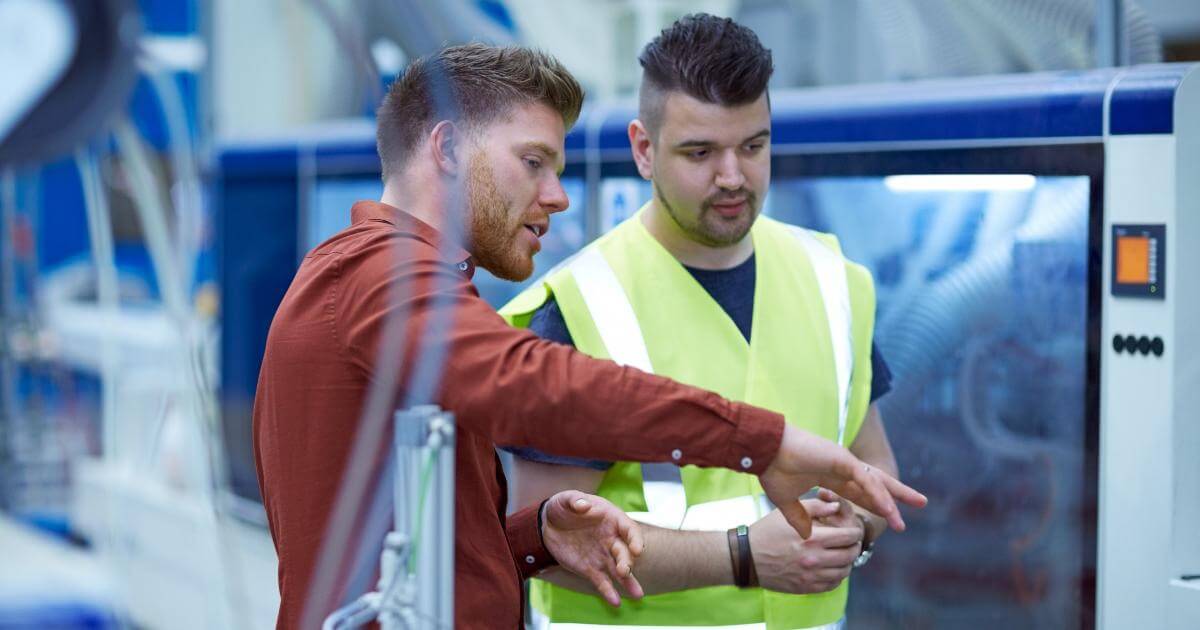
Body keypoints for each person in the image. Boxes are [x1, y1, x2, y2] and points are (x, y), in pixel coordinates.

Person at [253, 43, 925, 630]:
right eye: (534, 162)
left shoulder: (386, 282)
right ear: (449, 149)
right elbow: (527, 384)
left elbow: (419, 551)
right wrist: (759, 443)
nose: (558, 195)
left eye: (754, 145)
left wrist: (535, 539)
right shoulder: (375, 277)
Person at [499, 15, 899, 629]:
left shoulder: (834, 280)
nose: (732, 176)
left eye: (753, 146)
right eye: (700, 152)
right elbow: (544, 543)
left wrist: (854, 528)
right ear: (643, 149)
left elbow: (872, 465)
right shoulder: (578, 308)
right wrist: (742, 558)